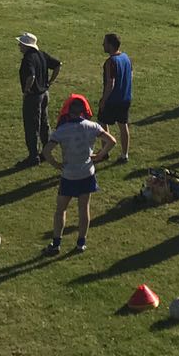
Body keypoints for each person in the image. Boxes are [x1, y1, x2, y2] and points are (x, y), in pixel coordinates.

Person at [41, 94, 115, 256]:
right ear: (84, 111)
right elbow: (112, 141)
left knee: (61, 210)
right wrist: (99, 155)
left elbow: (46, 151)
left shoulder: (62, 131)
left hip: (69, 175)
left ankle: (56, 243)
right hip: (87, 173)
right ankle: (81, 243)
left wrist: (57, 165)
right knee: (84, 209)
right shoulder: (92, 126)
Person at [17, 32, 61, 165]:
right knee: (44, 123)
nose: (19, 46)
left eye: (21, 43)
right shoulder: (42, 55)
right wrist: (50, 82)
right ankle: (46, 151)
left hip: (33, 96)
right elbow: (58, 65)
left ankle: (33, 156)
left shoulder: (28, 58)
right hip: (44, 94)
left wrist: (26, 90)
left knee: (31, 126)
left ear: (26, 45)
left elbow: (31, 76)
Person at [98, 32, 132, 163]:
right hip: (125, 98)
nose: (103, 45)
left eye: (105, 43)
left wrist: (103, 100)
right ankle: (125, 155)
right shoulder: (126, 57)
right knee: (123, 126)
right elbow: (131, 75)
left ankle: (104, 153)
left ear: (111, 45)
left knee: (102, 124)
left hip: (112, 100)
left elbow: (110, 83)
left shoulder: (110, 62)